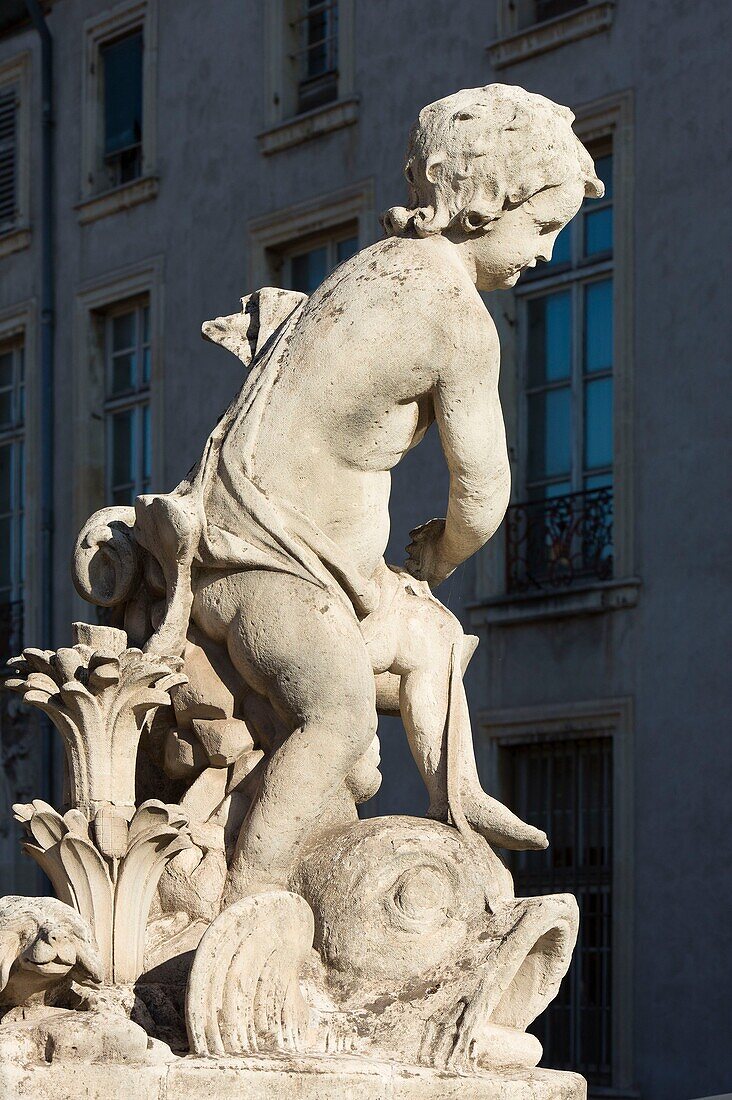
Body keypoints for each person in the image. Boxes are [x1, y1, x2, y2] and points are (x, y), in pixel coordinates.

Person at [76, 84, 604, 901]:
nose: (544, 252)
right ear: (480, 204)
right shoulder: (454, 316)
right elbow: (483, 493)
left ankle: (454, 802)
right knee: (341, 720)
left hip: (276, 559)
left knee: (430, 640)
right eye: (539, 227)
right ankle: (248, 899)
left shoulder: (368, 270)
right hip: (265, 569)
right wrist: (441, 550)